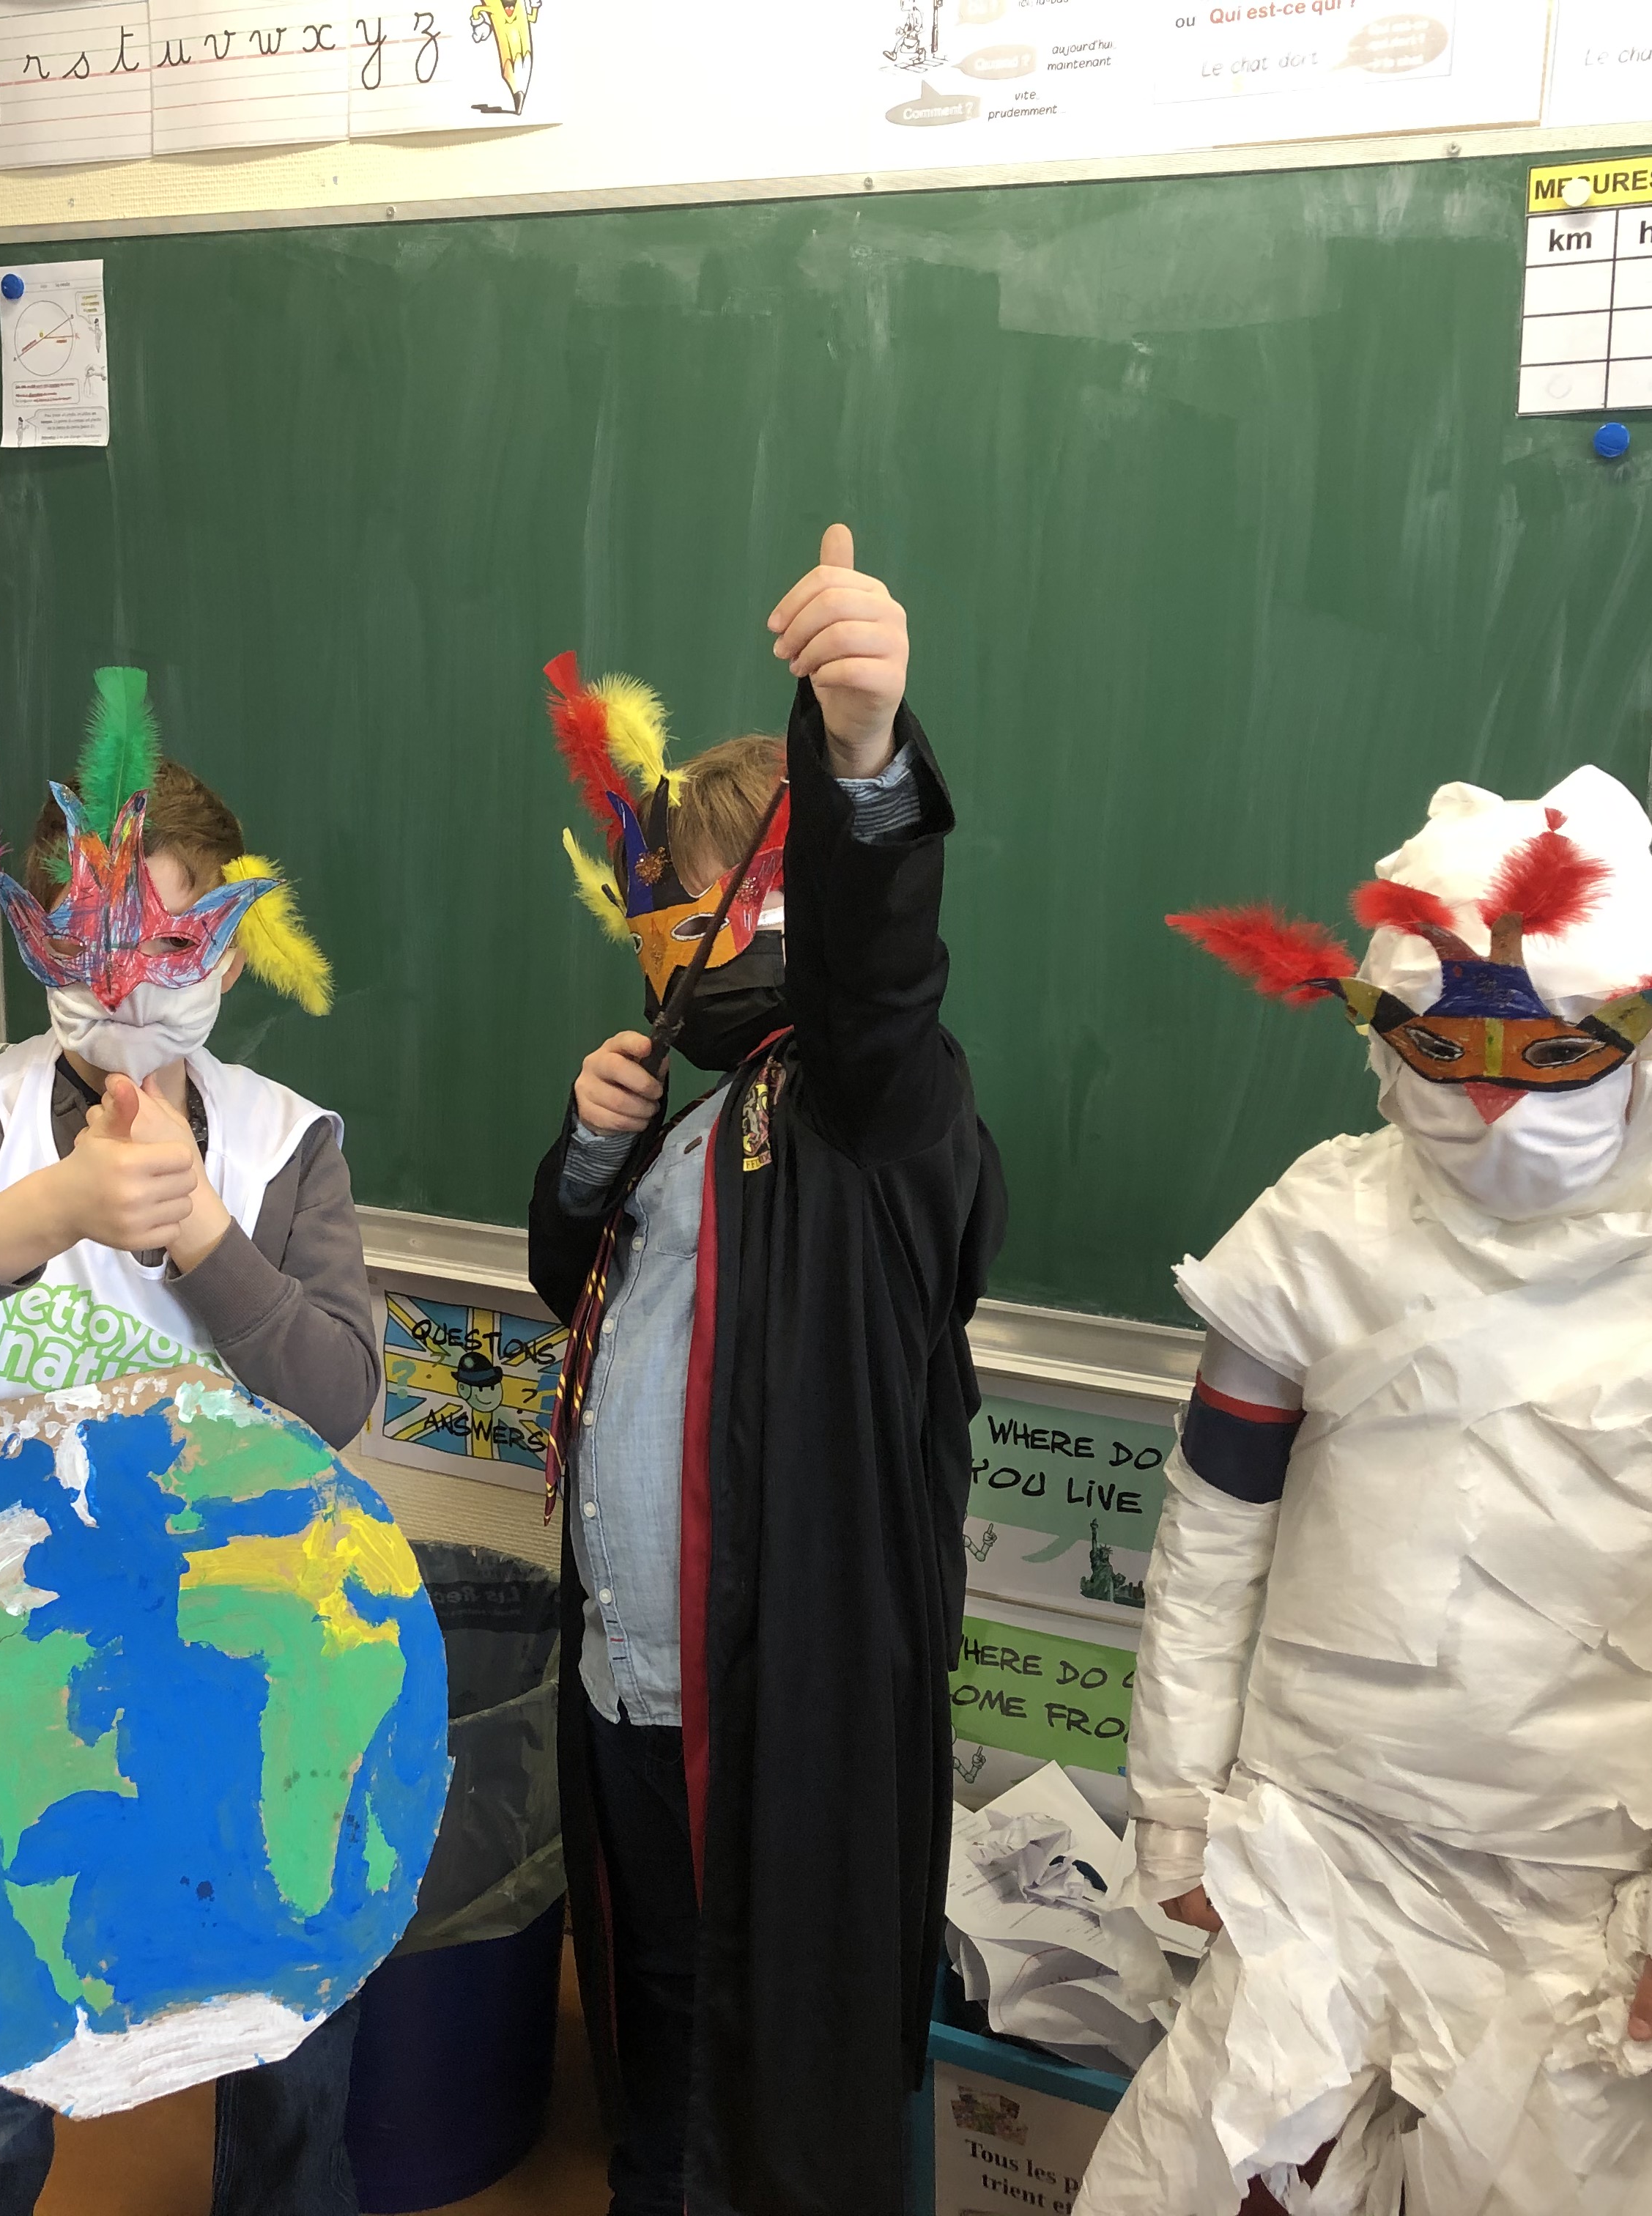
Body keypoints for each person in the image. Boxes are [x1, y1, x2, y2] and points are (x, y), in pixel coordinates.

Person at [1075, 770, 1652, 2216]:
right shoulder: (1313, 1235)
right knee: (1208, 2187)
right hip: (1313, 1844)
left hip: (1574, 1888)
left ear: (1650, 1037)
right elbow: (1213, 1534)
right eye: (1447, 1047)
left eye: (1552, 1052)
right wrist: (1173, 1805)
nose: (1495, 1100)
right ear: (1382, 1031)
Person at [0, 665, 379, 2216]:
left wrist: (203, 1233)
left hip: (251, 1664)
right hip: (2, 1666)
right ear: (37, 932)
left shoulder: (285, 1141)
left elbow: (339, 1397)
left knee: (286, 2059)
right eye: (92, 934)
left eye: (171, 937)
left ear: (231, 947)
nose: (129, 984)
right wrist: (34, 1214)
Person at [528, 525, 1007, 2216]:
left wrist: (863, 756)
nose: (697, 939)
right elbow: (581, 1297)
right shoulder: (691, 1116)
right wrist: (590, 1165)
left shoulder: (879, 1104)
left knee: (786, 2059)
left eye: (737, 896)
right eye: (673, 903)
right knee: (656, 2018)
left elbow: (881, 974)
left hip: (782, 1695)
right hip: (629, 1688)